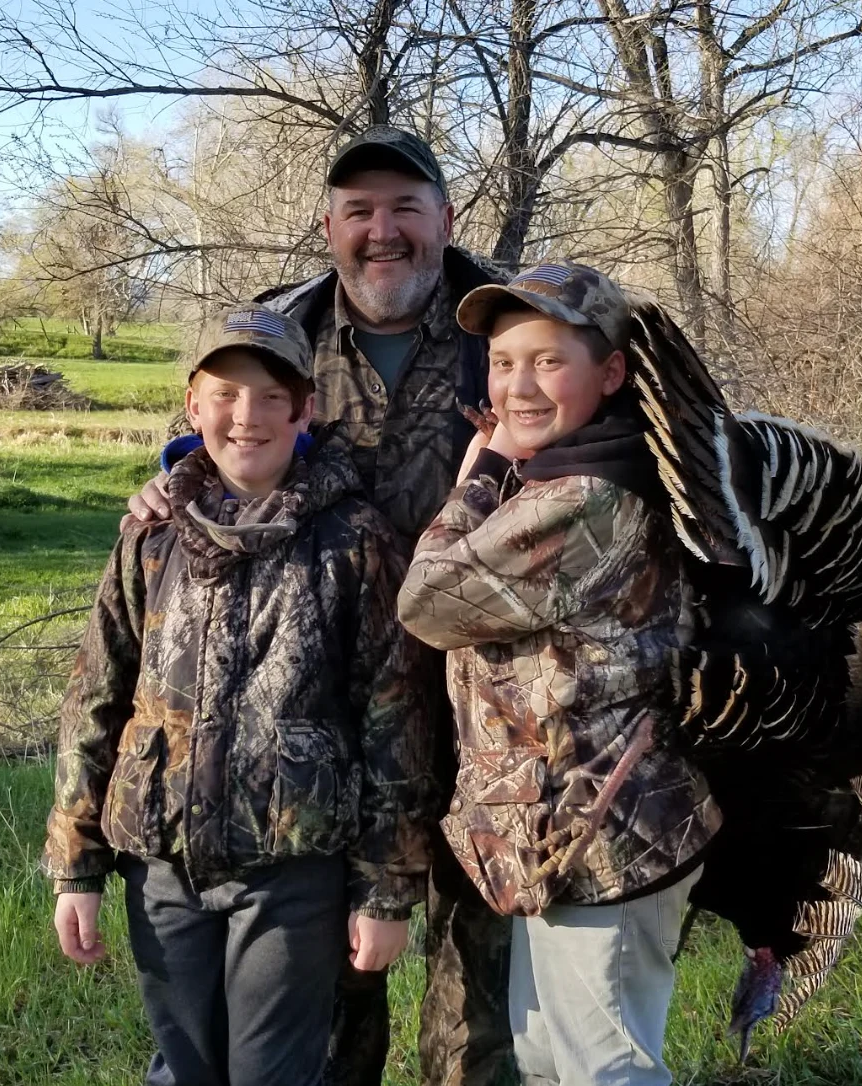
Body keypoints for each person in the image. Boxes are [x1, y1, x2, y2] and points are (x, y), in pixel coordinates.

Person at [124, 126, 516, 1086]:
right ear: (328, 225)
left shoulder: (505, 332)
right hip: (320, 722)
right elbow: (225, 439)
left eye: (405, 208)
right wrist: (169, 483)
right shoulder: (286, 327)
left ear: (446, 218)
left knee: (481, 1000)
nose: (383, 232)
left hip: (485, 706)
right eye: (359, 212)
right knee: (329, 1003)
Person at [45, 303, 437, 1086]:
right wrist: (77, 865)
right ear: (193, 405)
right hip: (161, 863)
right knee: (183, 1070)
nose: (245, 416)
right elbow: (97, 698)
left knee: (273, 1075)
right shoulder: (151, 535)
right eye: (224, 393)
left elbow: (396, 722)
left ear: (305, 410)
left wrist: (386, 890)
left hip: (292, 875)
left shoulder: (355, 541)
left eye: (269, 396)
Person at [397, 261, 720, 1086]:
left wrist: (480, 476)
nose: (518, 385)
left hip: (606, 834)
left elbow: (429, 603)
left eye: (548, 361)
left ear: (610, 372)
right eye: (503, 363)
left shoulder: (586, 495)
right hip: (565, 837)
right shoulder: (584, 469)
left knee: (607, 1068)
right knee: (549, 1061)